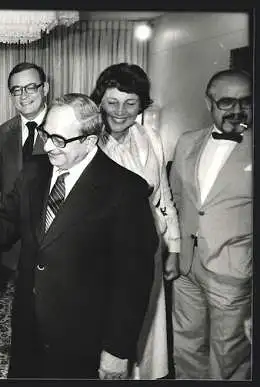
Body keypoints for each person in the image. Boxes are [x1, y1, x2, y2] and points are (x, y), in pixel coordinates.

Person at [0, 93, 158, 379]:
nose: (48, 146)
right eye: (46, 134)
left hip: (82, 338)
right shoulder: (35, 171)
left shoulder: (125, 190)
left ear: (90, 140)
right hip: (28, 326)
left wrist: (117, 349)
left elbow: (133, 281)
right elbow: (2, 223)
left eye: (59, 140)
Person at [90, 62, 180, 379]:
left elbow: (164, 196)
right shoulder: (89, 144)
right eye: (112, 102)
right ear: (99, 101)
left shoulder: (151, 137)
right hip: (107, 261)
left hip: (150, 253)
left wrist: (175, 249)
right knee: (113, 339)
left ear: (142, 104)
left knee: (147, 336)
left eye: (130, 103)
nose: (120, 111)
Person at [169, 69, 252, 379]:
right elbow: (176, 198)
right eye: (226, 102)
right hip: (187, 268)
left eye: (245, 102)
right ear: (209, 103)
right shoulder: (187, 141)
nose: (237, 111)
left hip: (232, 273)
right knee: (187, 347)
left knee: (228, 359)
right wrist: (174, 252)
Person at [0, 62, 49, 277]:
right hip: (13, 244)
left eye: (31, 87)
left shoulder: (62, 129)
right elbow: (0, 186)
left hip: (51, 240)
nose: (23, 95)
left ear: (45, 89)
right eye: (16, 90)